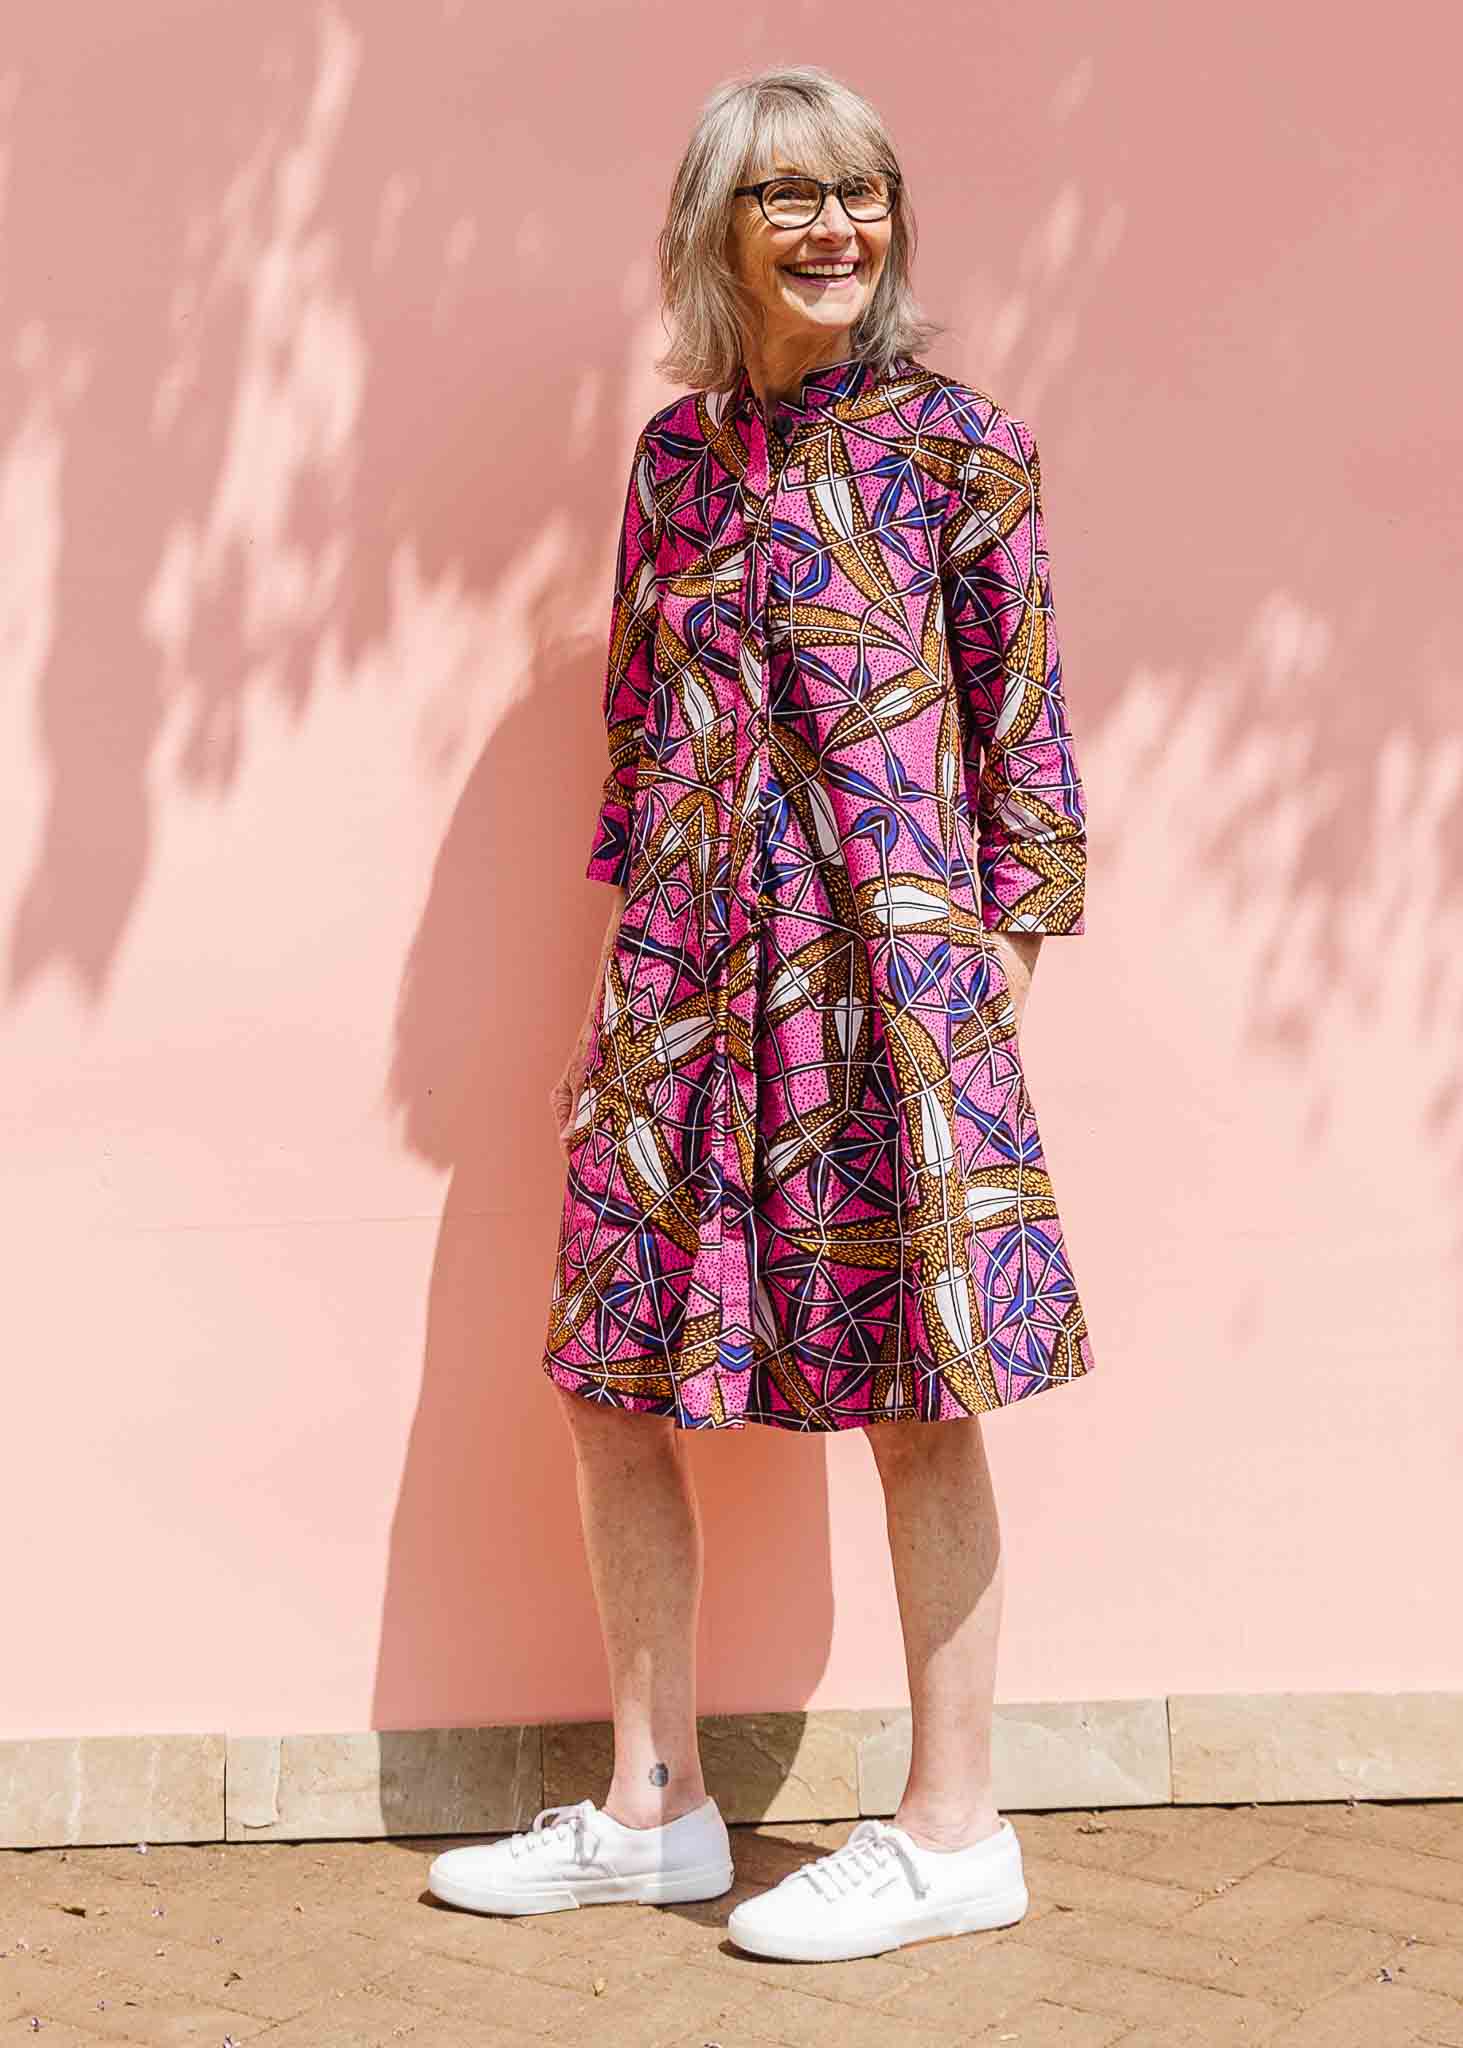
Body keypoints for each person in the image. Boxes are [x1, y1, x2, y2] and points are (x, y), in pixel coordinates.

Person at [428, 61, 1095, 1965]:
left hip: (894, 997)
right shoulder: (678, 462)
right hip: (682, 992)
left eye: (862, 193)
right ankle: (654, 1808)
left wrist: (975, 1023)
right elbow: (640, 742)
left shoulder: (963, 450)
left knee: (920, 1398)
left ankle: (955, 1829)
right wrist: (629, 1015)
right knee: (609, 1379)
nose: (834, 229)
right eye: (789, 196)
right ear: (714, 230)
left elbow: (1024, 753)